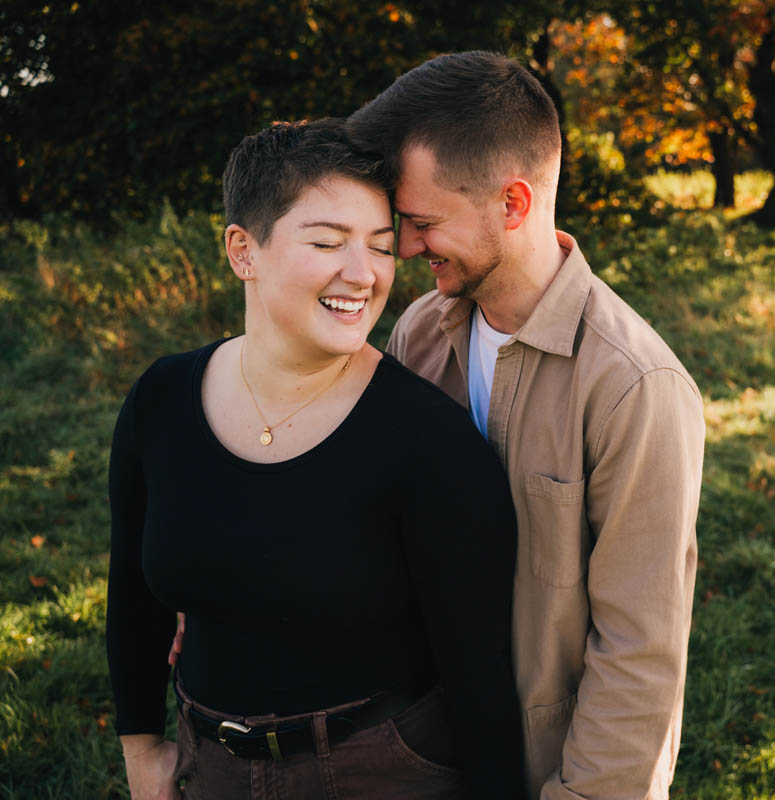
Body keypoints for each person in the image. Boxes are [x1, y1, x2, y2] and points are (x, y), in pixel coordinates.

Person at [106, 117, 525, 800]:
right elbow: (133, 595)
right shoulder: (161, 401)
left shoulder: (429, 444)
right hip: (203, 768)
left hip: (379, 773)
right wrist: (143, 750)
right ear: (244, 250)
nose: (363, 274)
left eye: (382, 247)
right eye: (328, 241)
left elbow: (480, 681)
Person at [346, 51, 707, 799]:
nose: (405, 249)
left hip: (547, 770)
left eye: (421, 222)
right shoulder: (418, 335)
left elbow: (640, 653)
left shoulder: (634, 387)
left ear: (512, 203)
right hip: (422, 755)